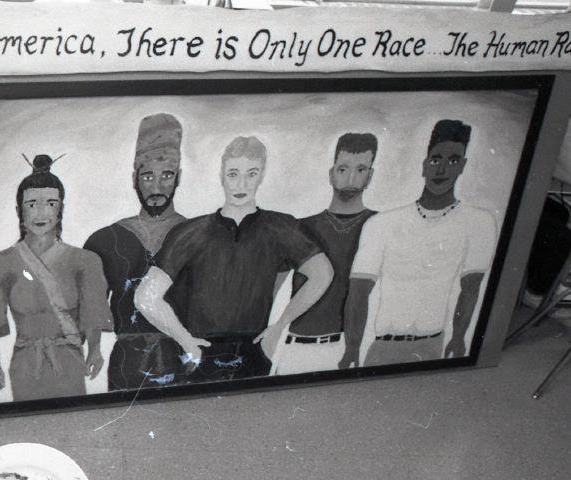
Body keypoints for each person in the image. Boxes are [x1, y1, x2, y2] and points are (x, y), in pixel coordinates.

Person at [136, 135, 333, 382]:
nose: (241, 184)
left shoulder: (280, 227)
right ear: (221, 175)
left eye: (251, 174)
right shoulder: (190, 232)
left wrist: (280, 326)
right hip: (201, 351)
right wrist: (185, 340)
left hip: (255, 349)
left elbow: (323, 273)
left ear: (261, 175)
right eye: (233, 174)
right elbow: (145, 297)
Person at [340, 119, 496, 367]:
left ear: (462, 166)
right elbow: (358, 293)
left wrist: (458, 338)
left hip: (433, 344)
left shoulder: (478, 222)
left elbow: (470, 289)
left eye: (453, 161)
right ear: (424, 165)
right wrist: (352, 347)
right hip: (382, 346)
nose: (442, 169)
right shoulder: (383, 224)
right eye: (435, 160)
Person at [0, 155, 112, 401]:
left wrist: (95, 350)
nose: (40, 212)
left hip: (69, 359)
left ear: (61, 208)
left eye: (50, 203)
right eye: (31, 204)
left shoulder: (86, 261)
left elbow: (93, 312)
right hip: (26, 363)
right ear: (19, 210)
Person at [83, 113, 188, 390]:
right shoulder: (105, 239)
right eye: (147, 176)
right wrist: (93, 348)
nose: (156, 187)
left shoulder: (196, 235)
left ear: (178, 177)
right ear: (134, 179)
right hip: (127, 362)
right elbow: (92, 305)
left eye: (166, 176)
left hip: (182, 358)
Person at [273, 133, 379, 375]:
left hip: (349, 348)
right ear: (331, 173)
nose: (351, 178)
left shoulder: (378, 225)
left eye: (361, 169)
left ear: (370, 175)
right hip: (296, 347)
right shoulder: (301, 227)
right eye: (343, 169)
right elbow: (272, 287)